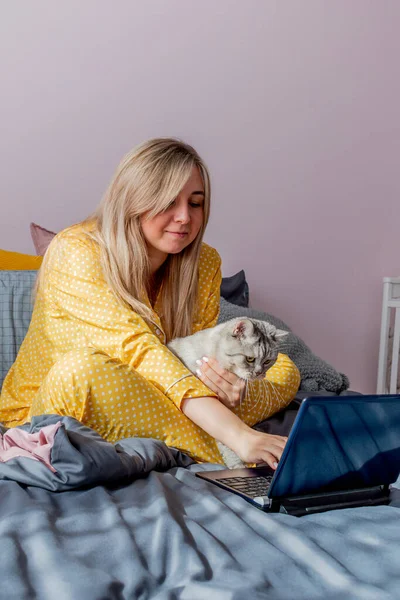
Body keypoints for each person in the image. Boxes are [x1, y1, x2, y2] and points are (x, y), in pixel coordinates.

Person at [0, 138, 300, 467]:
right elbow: (138, 350)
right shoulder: (75, 250)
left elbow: (196, 361)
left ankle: (203, 432)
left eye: (196, 203)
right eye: (168, 201)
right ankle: (225, 450)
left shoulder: (204, 263)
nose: (184, 217)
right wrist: (237, 433)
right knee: (80, 370)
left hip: (155, 396)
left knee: (285, 369)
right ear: (133, 201)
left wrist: (228, 386)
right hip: (56, 406)